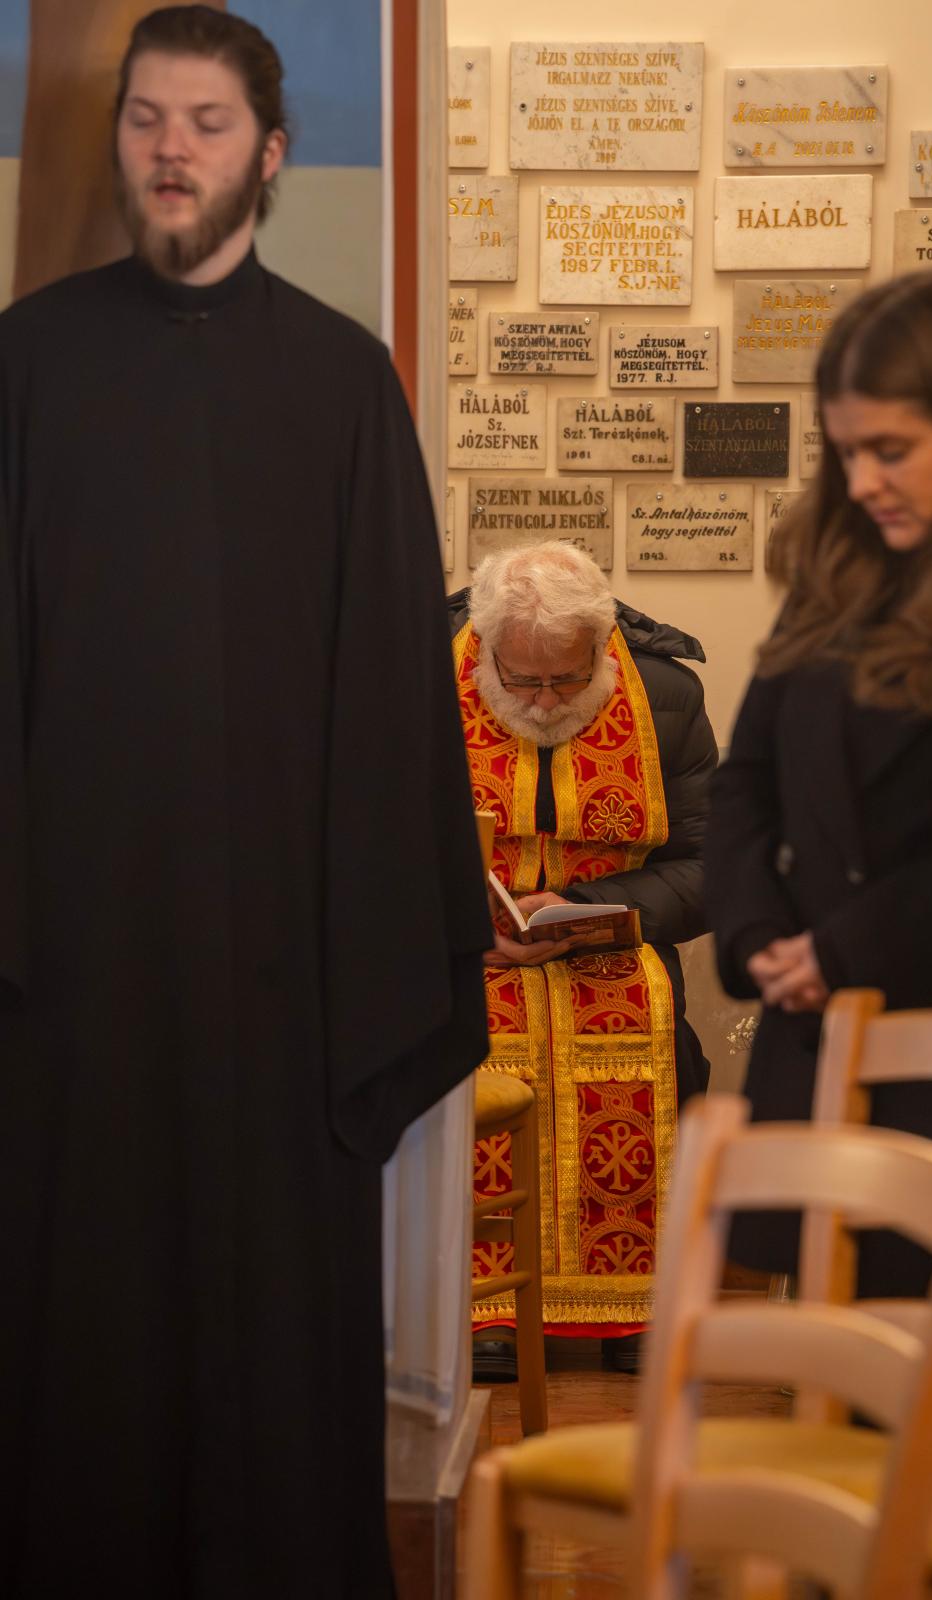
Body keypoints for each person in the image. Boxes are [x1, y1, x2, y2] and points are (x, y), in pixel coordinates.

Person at [0, 9, 490, 1597]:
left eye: (206, 123)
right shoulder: (23, 367)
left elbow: (396, 695)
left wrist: (369, 960)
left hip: (288, 979)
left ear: (269, 155)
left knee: (278, 1350)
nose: (170, 149)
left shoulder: (344, 385)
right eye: (146, 118)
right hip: (72, 979)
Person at [705, 272, 932, 1296]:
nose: (862, 482)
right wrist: (756, 935)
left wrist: (840, 950)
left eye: (890, 450)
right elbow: (748, 779)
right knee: (833, 1346)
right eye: (846, 452)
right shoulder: (840, 569)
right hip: (814, 1030)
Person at [449, 541, 716, 1376]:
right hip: (470, 959)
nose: (543, 700)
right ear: (487, 647)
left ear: (604, 646)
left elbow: (712, 867)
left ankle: (637, 1302)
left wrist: (590, 907)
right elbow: (361, 849)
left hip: (613, 947)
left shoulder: (667, 695)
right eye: (522, 679)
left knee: (655, 1048)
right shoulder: (420, 686)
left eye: (567, 679)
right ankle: (485, 1306)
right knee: (467, 1045)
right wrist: (459, 927)